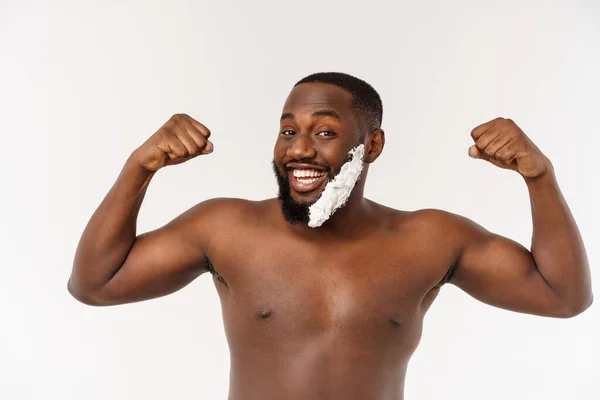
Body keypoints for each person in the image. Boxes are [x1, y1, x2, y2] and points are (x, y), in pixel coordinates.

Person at [67, 72, 593, 400]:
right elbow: (94, 285)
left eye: (324, 131)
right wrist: (140, 167)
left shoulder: (429, 238)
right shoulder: (224, 226)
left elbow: (563, 296)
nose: (299, 149)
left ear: (372, 145)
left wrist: (539, 177)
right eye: (288, 130)